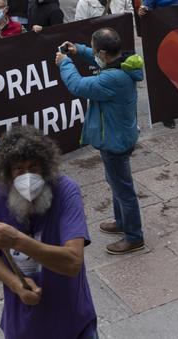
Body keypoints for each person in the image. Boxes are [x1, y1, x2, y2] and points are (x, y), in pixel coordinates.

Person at [0, 125, 97, 339]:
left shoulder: (66, 192)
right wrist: (15, 285)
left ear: (46, 167)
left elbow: (72, 263)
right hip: (24, 325)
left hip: (72, 321)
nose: (27, 176)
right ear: (8, 173)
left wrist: (19, 241)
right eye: (19, 169)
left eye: (33, 167)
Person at [56, 28, 145, 255]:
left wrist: (65, 63)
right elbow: (100, 60)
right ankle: (121, 221)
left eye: (94, 50)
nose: (93, 54)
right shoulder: (121, 62)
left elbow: (78, 86)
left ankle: (134, 237)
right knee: (115, 181)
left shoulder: (112, 79)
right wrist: (79, 51)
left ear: (103, 53)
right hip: (119, 134)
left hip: (115, 141)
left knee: (123, 189)